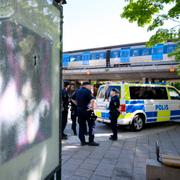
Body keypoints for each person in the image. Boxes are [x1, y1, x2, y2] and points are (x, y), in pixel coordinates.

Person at [76, 82, 99, 146]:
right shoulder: (88, 91)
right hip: (87, 111)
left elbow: (72, 98)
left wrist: (78, 105)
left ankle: (82, 142)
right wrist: (91, 107)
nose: (91, 87)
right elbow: (92, 100)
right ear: (86, 86)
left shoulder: (77, 91)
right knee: (92, 125)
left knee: (81, 126)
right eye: (90, 85)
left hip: (79, 110)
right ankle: (91, 141)